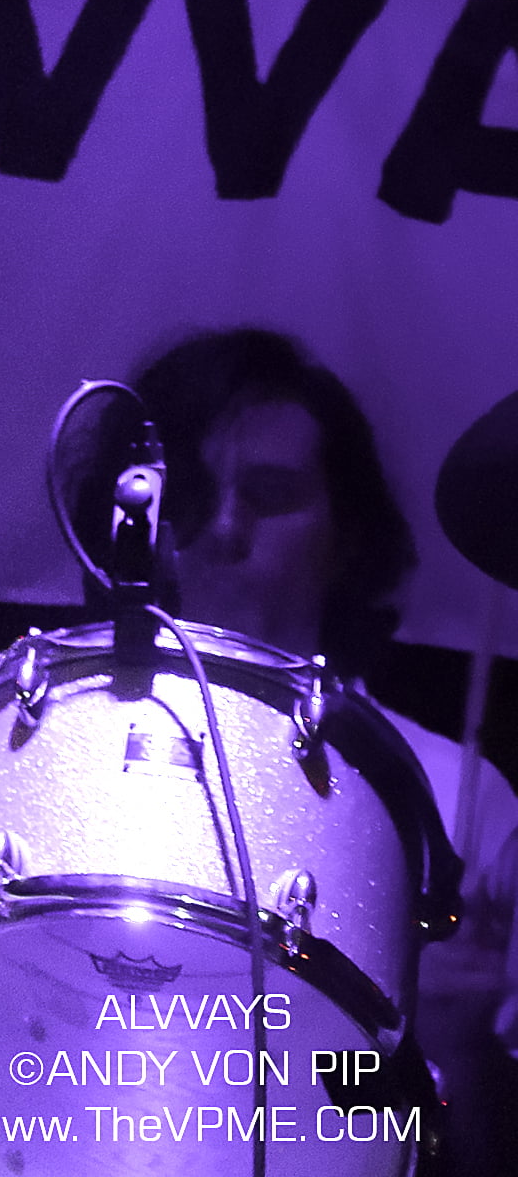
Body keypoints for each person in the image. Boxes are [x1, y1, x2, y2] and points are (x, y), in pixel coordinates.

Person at [137, 326, 518, 1148]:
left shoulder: (447, 796)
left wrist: (448, 1050)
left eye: (269, 494)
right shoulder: (40, 752)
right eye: (195, 494)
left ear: (347, 537)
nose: (222, 528)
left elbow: (447, 1146)